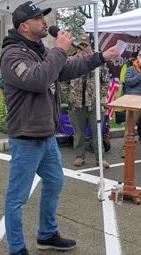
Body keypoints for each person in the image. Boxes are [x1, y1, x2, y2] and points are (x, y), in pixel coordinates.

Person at [0, 1, 119, 255]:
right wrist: (60, 50)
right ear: (24, 26)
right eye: (38, 18)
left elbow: (65, 69)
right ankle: (16, 248)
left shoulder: (40, 50)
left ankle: (46, 234)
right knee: (17, 197)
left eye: (44, 17)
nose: (44, 22)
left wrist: (100, 57)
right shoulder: (13, 55)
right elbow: (38, 79)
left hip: (46, 135)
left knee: (55, 182)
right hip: (26, 136)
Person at [60, 34, 111, 169]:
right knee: (78, 133)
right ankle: (79, 156)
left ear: (90, 46)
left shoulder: (99, 61)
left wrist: (99, 95)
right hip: (76, 104)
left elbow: (106, 81)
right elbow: (63, 81)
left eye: (85, 45)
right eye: (80, 46)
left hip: (93, 104)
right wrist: (69, 95)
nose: (83, 48)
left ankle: (100, 158)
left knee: (97, 133)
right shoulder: (70, 60)